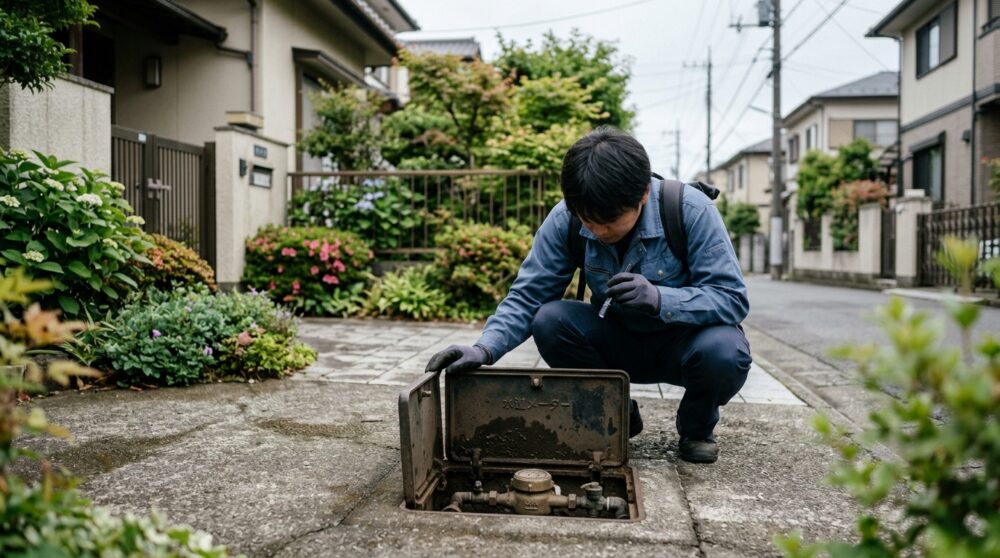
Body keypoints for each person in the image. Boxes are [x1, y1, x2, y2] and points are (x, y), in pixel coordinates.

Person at [425, 127, 751, 464]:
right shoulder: (565, 219)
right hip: (615, 339)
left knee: (725, 351)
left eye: (608, 221)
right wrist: (484, 348)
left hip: (684, 345)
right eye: (587, 220)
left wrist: (660, 299)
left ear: (642, 193)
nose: (597, 230)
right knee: (550, 320)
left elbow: (731, 297)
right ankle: (615, 412)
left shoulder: (689, 209)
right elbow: (528, 296)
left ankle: (696, 425)